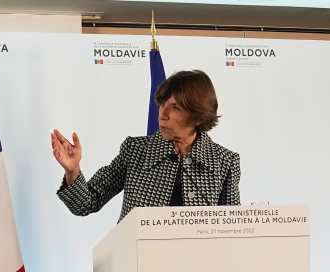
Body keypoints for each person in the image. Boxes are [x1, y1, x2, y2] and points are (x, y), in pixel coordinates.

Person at [50, 69, 240, 219]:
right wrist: (72, 170)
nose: (163, 115)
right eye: (162, 104)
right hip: (139, 264)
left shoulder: (225, 161)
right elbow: (86, 203)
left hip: (198, 266)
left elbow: (233, 230)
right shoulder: (136, 151)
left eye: (175, 108)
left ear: (198, 115)